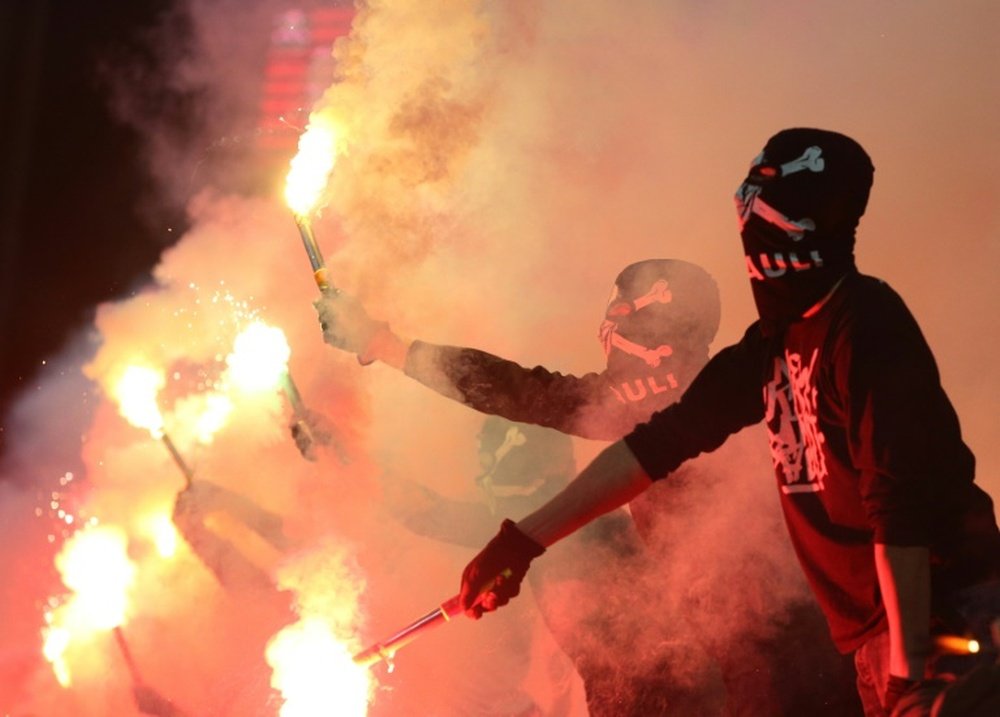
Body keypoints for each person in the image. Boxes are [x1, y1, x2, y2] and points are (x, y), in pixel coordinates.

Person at [450, 128, 1000, 716]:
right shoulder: (769, 348)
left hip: (943, 622)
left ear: (809, 221)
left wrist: (911, 675)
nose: (748, 218)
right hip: (878, 638)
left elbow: (901, 510)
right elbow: (651, 449)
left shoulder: (867, 326)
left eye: (765, 200)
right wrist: (523, 542)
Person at [316, 259, 859, 714]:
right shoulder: (646, 407)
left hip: (809, 653)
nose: (609, 325)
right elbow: (512, 392)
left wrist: (381, 343)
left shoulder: (742, 385)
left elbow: (516, 394)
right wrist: (382, 344)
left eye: (621, 311)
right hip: (751, 663)